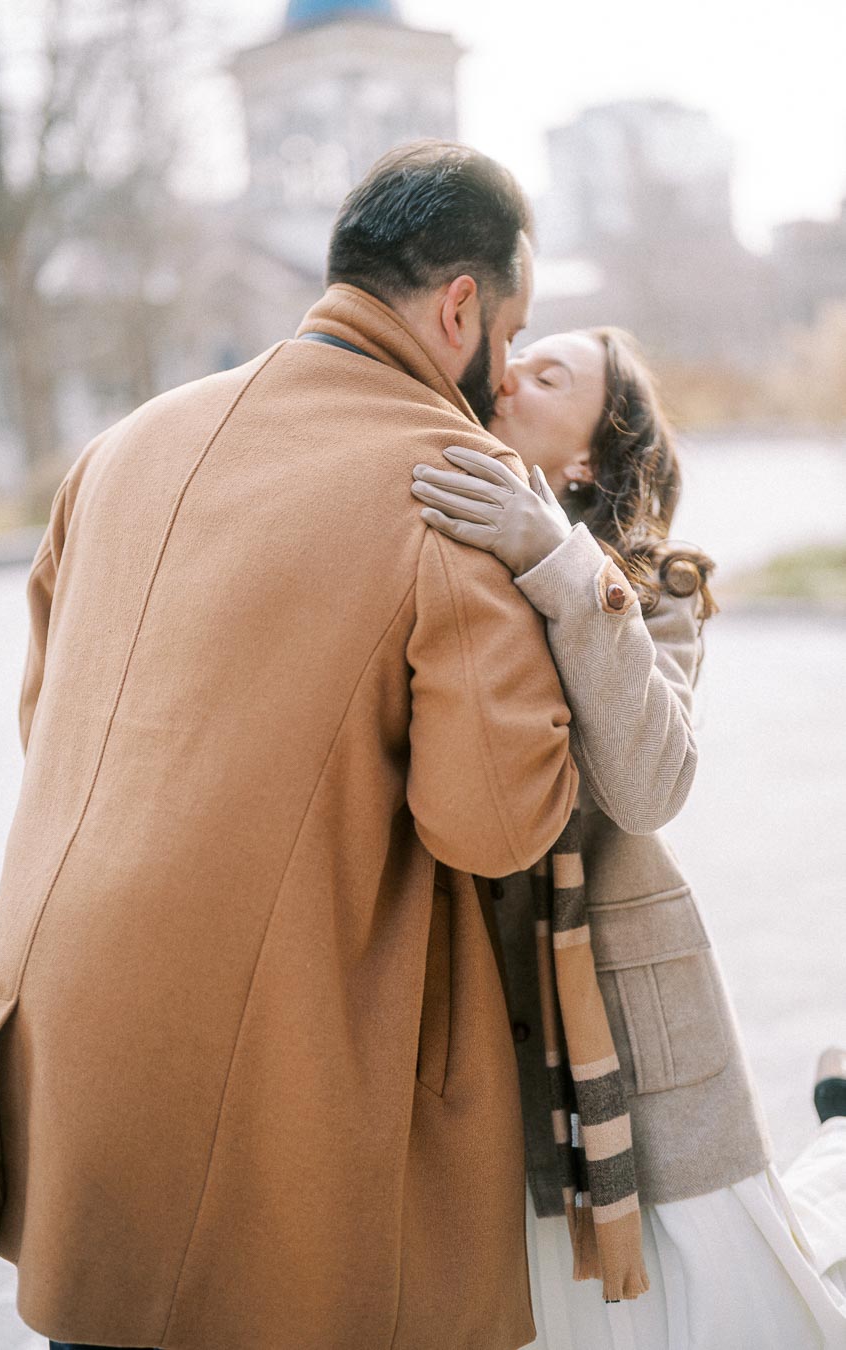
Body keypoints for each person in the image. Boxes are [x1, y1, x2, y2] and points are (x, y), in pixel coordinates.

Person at [0, 143, 581, 1350]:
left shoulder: (124, 445)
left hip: (70, 1036)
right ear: (463, 308)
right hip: (282, 1079)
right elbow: (492, 821)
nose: (505, 372)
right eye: (515, 328)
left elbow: (47, 719)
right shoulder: (454, 482)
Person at [410, 326, 846, 1348]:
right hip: (487, 1028)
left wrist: (557, 564)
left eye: (548, 374)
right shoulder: (430, 543)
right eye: (512, 356)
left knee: (757, 1302)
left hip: (634, 1014)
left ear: (587, 459)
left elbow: (648, 788)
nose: (506, 372)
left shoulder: (660, 594)